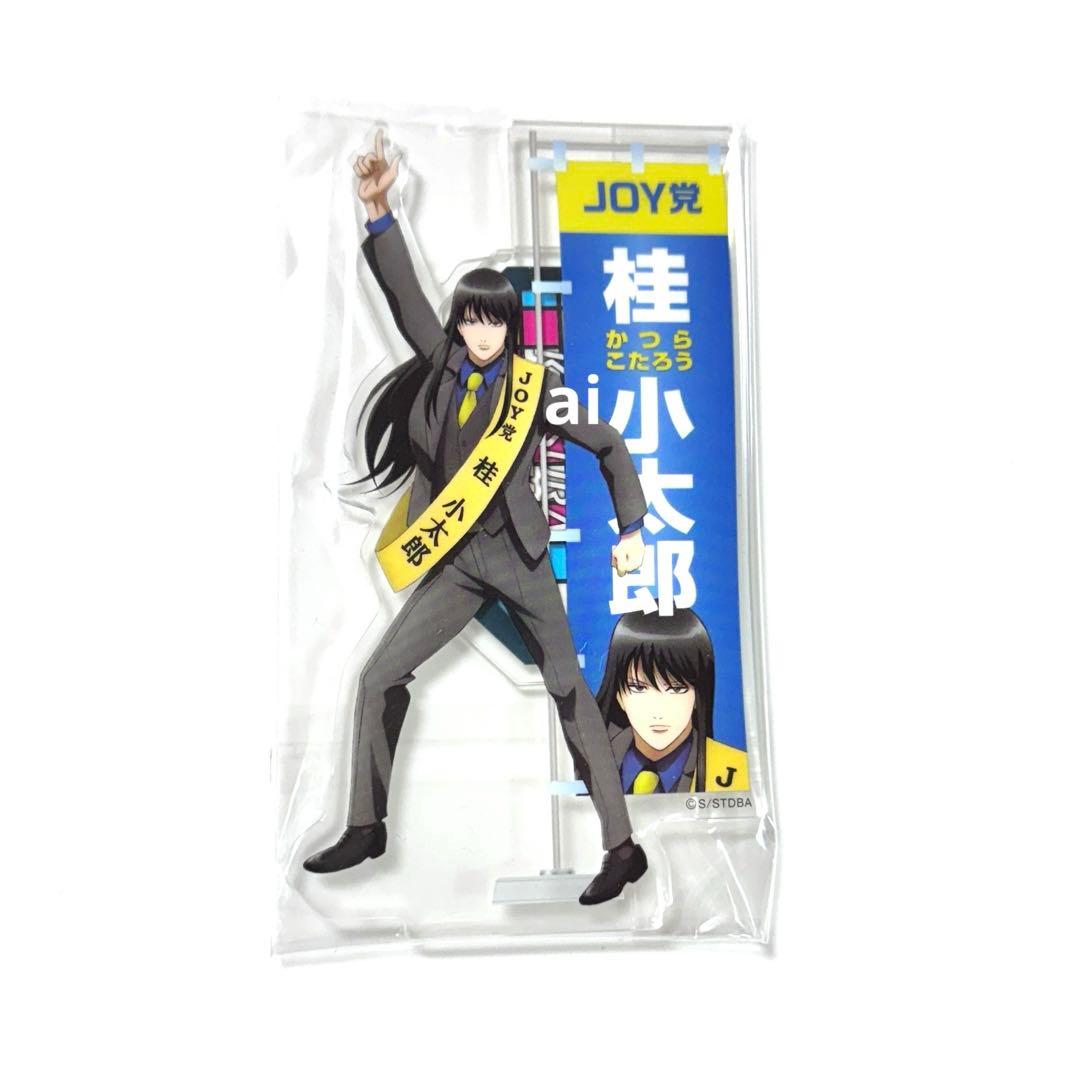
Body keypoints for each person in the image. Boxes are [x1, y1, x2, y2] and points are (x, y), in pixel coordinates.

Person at [304, 130, 650, 904]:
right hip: (456, 563)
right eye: (471, 320)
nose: (482, 333)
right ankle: (366, 824)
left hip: (521, 560)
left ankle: (622, 847)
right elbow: (403, 295)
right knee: (377, 676)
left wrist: (630, 529)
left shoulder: (535, 388)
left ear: (511, 325)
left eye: (495, 322)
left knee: (570, 692)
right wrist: (380, 210)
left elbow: (606, 443)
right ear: (460, 323)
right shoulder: (440, 368)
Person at [596, 609, 749, 795]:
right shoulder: (587, 764)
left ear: (698, 695)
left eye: (676, 689)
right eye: (639, 688)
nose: (658, 712)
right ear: (619, 695)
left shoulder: (738, 771)